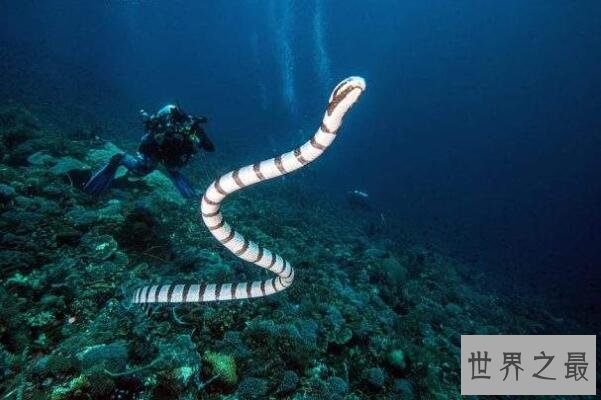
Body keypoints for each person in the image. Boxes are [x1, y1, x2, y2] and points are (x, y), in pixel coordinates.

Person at [83, 104, 214, 198]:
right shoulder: (171, 121)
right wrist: (162, 134)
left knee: (173, 169)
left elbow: (210, 147)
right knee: (140, 171)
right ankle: (120, 159)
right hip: (155, 150)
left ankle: (180, 181)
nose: (186, 127)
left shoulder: (194, 130)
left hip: (171, 157)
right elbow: (153, 127)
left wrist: (200, 139)